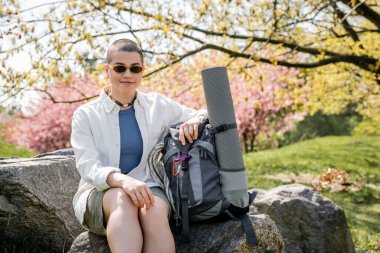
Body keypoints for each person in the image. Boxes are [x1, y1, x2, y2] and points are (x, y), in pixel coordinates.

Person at [71, 38, 207, 253]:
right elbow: (87, 166)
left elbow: (202, 112)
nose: (128, 74)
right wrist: (124, 182)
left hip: (150, 187)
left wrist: (195, 120)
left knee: (152, 211)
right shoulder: (86, 114)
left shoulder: (157, 105)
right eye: (119, 68)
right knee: (122, 199)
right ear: (107, 70)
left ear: (142, 70)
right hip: (101, 193)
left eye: (135, 68)